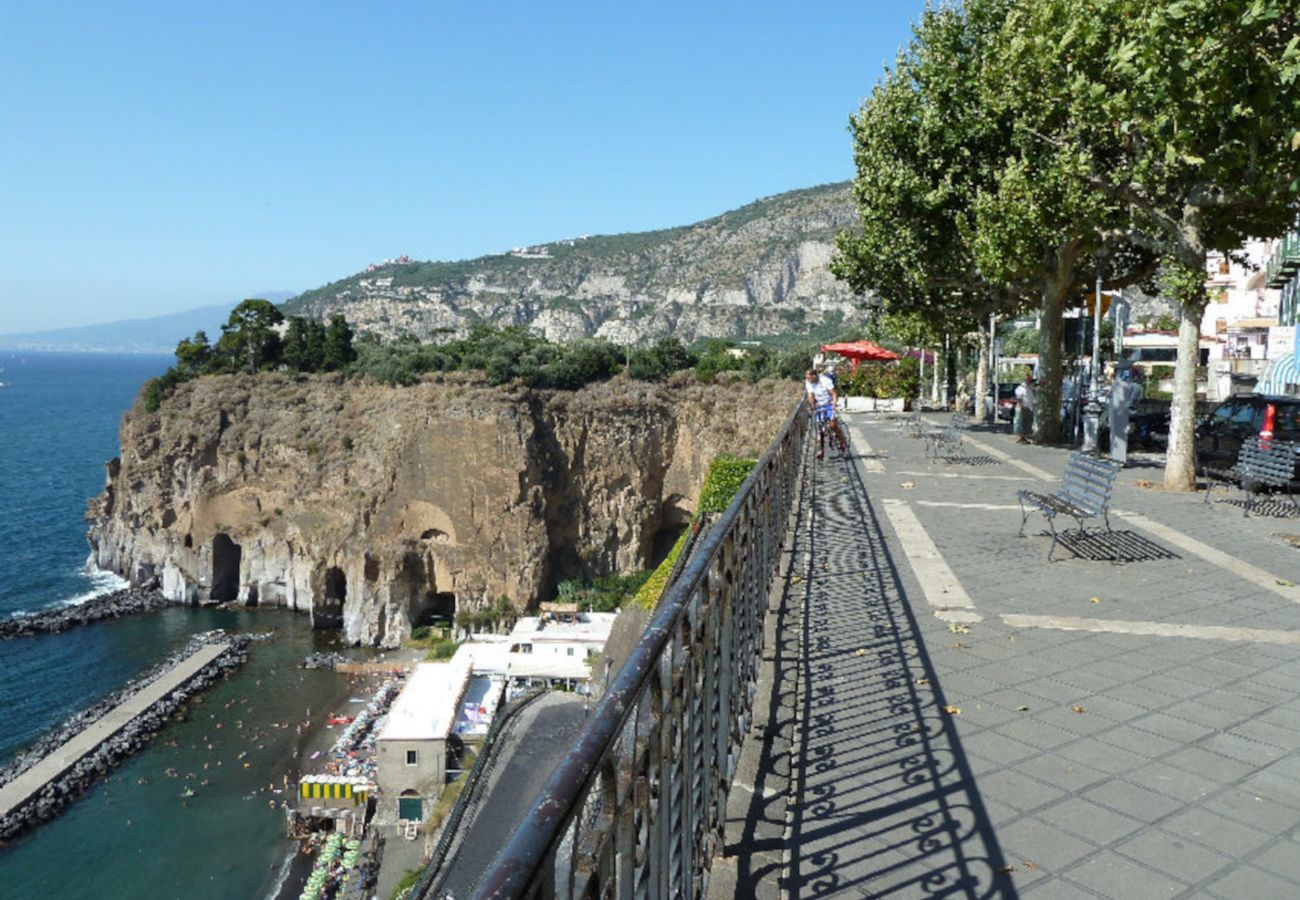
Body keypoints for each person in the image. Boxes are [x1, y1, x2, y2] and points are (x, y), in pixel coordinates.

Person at [805, 368, 846, 459]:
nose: (808, 379)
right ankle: (821, 451)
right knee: (820, 430)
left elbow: (834, 394)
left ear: (814, 376)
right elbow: (810, 396)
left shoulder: (825, 380)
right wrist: (811, 406)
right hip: (820, 406)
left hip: (829, 404)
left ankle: (843, 443)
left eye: (809, 377)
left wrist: (834, 404)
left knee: (833, 426)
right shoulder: (808, 383)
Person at [1014, 373, 1036, 444]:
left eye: (1030, 380)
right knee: (1020, 423)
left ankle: (1024, 437)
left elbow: (1036, 384)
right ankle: (1021, 437)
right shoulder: (1020, 388)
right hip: (1022, 408)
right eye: (1028, 380)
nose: (1030, 381)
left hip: (1029, 407)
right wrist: (1022, 408)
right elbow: (1019, 400)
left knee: (1027, 423)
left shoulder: (1030, 387)